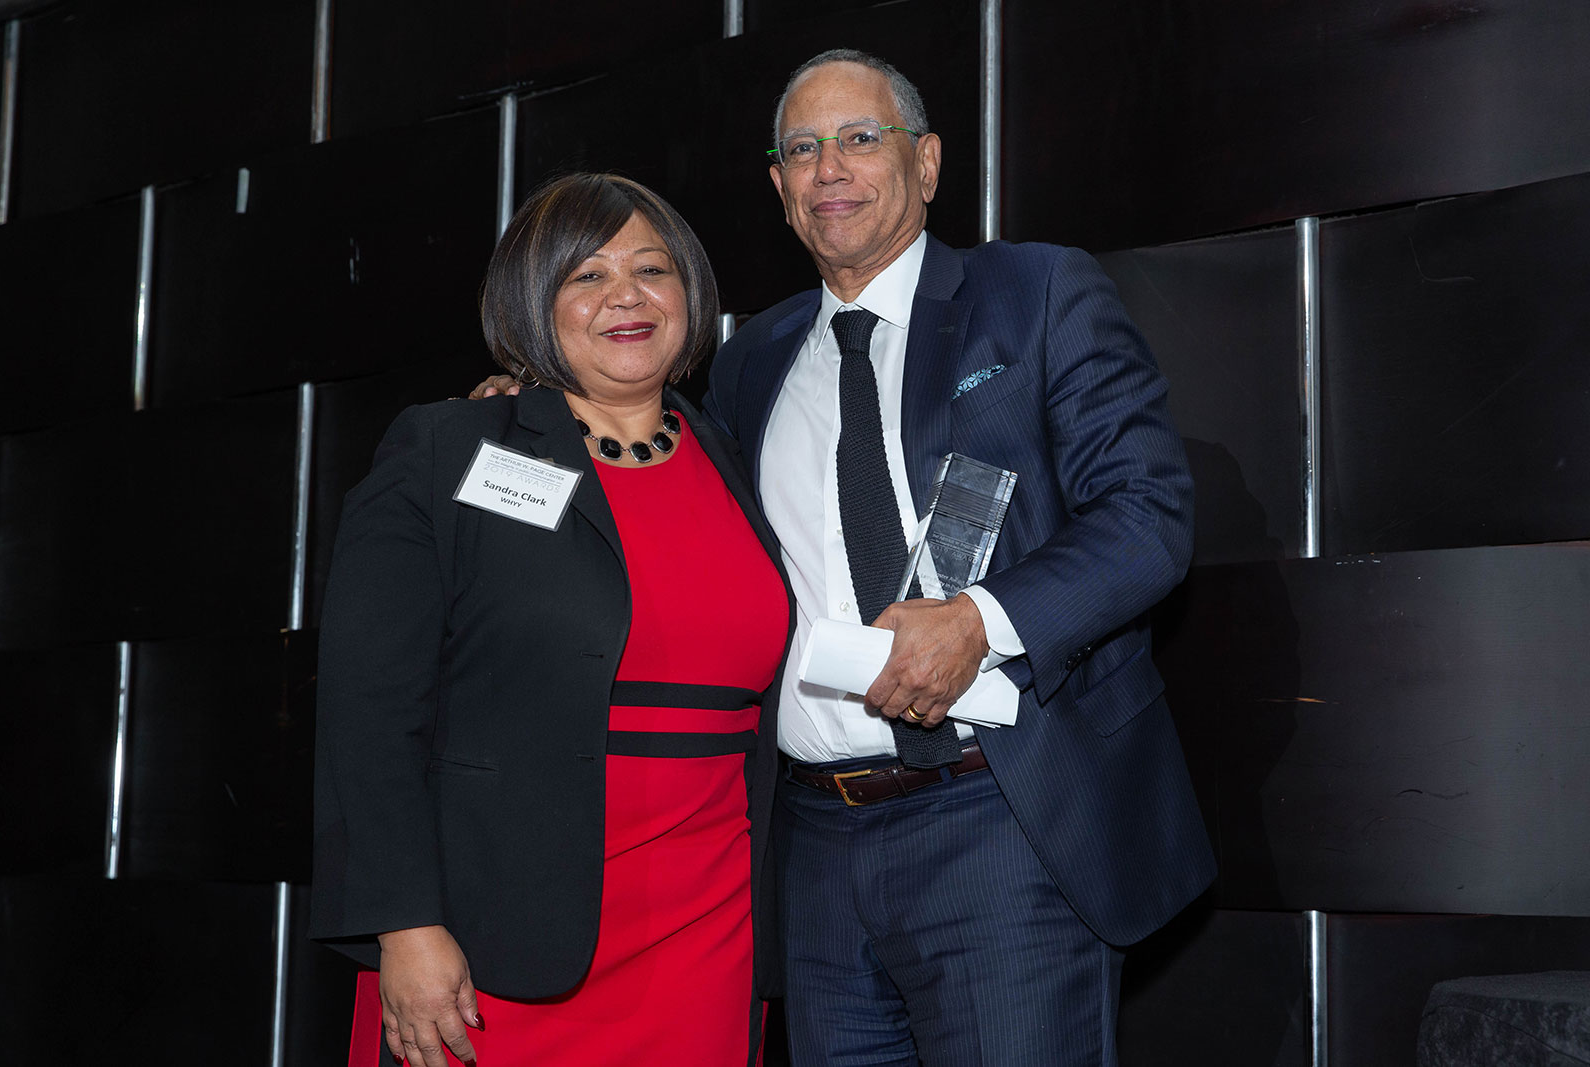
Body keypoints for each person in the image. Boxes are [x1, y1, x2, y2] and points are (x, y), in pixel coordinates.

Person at [474, 50, 1215, 1066]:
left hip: (1003, 817)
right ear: (778, 190)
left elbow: (1147, 513)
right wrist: (525, 425)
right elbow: (647, 504)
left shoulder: (1035, 292)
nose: (831, 166)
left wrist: (980, 622)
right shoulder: (747, 362)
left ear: (928, 164)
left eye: (861, 138)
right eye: (803, 149)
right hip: (811, 849)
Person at [312, 172, 791, 1067]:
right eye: (587, 276)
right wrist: (404, 926)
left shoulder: (729, 454)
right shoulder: (450, 449)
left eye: (653, 269)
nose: (627, 296)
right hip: (492, 943)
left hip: (707, 935)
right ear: (536, 300)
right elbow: (368, 711)